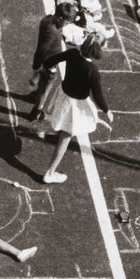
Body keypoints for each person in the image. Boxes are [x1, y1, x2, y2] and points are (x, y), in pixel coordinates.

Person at [38, 34, 114, 185]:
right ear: (97, 51)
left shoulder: (72, 53)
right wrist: (107, 110)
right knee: (65, 137)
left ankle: (50, 128)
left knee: (60, 122)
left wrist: (47, 66)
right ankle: (50, 173)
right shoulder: (92, 70)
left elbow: (53, 60)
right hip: (75, 106)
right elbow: (97, 95)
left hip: (64, 96)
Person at [28, 0, 80, 121]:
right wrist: (37, 66)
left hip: (46, 62)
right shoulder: (52, 32)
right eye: (66, 22)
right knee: (46, 88)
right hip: (49, 63)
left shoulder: (47, 20)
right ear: (60, 18)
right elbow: (42, 50)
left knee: (41, 82)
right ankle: (37, 111)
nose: (66, 25)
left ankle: (36, 83)